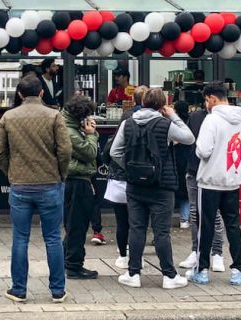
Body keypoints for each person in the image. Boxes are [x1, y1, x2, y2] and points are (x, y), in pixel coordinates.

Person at [0, 74, 72, 304]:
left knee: (20, 237)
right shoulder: (54, 115)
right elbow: (65, 150)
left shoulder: (9, 117)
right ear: (41, 92)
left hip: (20, 186)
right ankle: (58, 290)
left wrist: (11, 171)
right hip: (50, 184)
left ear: (19, 94)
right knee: (53, 237)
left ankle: (19, 289)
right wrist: (61, 173)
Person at [110, 87, 194, 290]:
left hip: (135, 185)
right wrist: (174, 116)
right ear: (162, 105)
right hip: (161, 186)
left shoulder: (127, 123)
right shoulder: (165, 124)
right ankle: (169, 276)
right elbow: (189, 138)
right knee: (161, 232)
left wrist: (130, 168)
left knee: (137, 228)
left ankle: (133, 273)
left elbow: (115, 151)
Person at [188, 82, 241, 286]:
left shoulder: (211, 120)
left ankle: (201, 270)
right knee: (233, 226)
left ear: (212, 98)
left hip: (210, 180)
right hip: (232, 181)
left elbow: (203, 150)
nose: (206, 104)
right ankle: (239, 270)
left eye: (206, 100)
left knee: (206, 226)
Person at [180, 93, 226, 273]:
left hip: (213, 172)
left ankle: (217, 252)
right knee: (194, 211)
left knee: (213, 213)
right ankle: (196, 250)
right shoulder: (196, 117)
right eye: (205, 100)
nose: (207, 104)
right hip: (194, 170)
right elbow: (188, 140)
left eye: (209, 100)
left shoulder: (223, 119)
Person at [61, 94, 100, 279]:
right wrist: (92, 135)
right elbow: (89, 153)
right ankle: (74, 266)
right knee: (77, 225)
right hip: (77, 182)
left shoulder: (68, 127)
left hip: (71, 182)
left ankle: (65, 260)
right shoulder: (70, 132)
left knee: (72, 224)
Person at [102, 131, 129, 268]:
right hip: (138, 183)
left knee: (122, 221)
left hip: (118, 183)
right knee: (138, 223)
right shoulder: (145, 134)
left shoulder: (114, 139)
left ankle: (123, 255)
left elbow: (105, 157)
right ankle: (136, 256)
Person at [172, 101, 191, 229]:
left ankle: (167, 217)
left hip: (174, 159)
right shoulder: (192, 122)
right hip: (188, 160)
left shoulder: (172, 123)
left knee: (172, 190)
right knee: (186, 191)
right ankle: (184, 219)